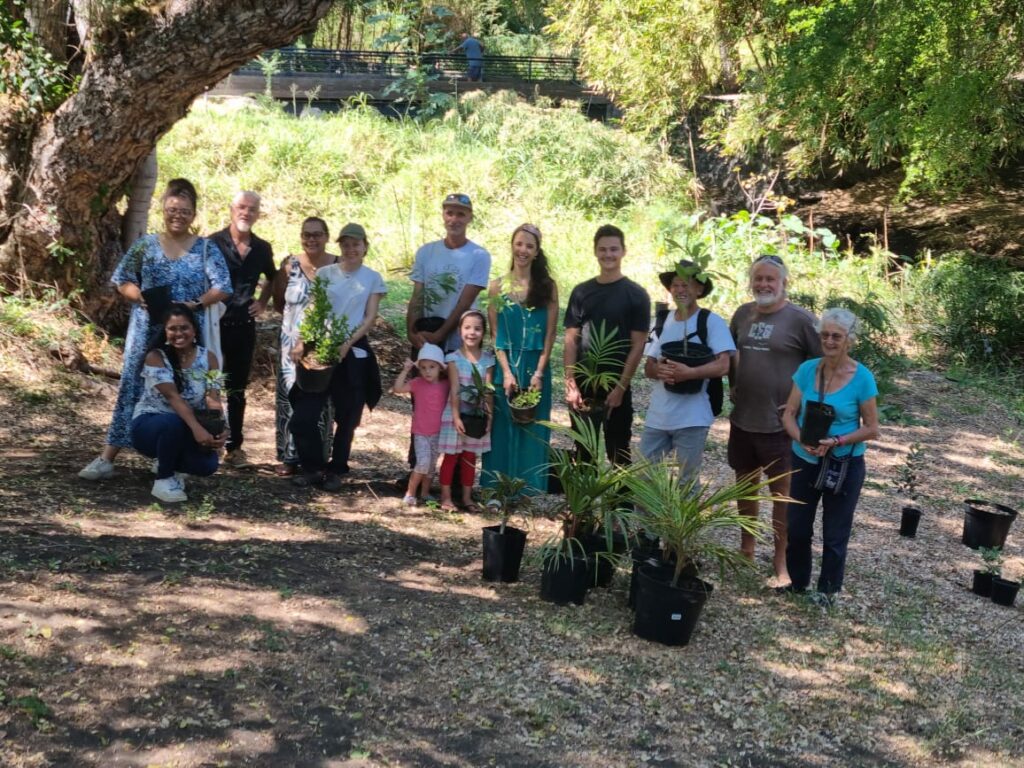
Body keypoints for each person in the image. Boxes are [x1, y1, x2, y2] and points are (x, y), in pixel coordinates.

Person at [79, 178, 232, 481]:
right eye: (172, 209)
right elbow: (122, 280)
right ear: (163, 209)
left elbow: (223, 286)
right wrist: (143, 299)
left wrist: (196, 304)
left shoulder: (205, 249)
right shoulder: (145, 246)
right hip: (148, 326)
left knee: (190, 388)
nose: (178, 215)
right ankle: (108, 456)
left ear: (194, 213)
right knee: (132, 385)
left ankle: (173, 457)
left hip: (187, 328)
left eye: (185, 210)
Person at [728, 254, 821, 583]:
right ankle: (746, 549)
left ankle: (780, 558)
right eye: (758, 278)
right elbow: (730, 356)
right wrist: (732, 387)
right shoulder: (741, 315)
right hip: (743, 420)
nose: (764, 284)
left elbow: (823, 366)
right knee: (745, 488)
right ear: (750, 281)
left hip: (780, 426)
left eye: (771, 279)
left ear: (784, 283)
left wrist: (801, 407)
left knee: (782, 496)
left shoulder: (801, 320)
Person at [780, 308, 880, 606]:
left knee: (835, 532)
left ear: (849, 339)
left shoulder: (862, 378)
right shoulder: (808, 369)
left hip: (843, 463)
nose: (830, 341)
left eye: (836, 336)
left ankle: (827, 590)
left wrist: (836, 440)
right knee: (797, 528)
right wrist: (803, 440)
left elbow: (872, 429)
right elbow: (789, 414)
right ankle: (797, 583)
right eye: (824, 335)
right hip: (804, 458)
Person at [288, 222, 386, 490]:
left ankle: (336, 469)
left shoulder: (372, 278)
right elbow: (312, 309)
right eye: (346, 244)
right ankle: (312, 466)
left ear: (365, 246)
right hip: (320, 348)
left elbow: (369, 318)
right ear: (339, 245)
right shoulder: (326, 273)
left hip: (352, 350)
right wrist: (300, 340)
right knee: (304, 416)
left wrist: (346, 343)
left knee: (348, 415)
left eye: (356, 244)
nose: (351, 249)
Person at [641, 260, 734, 485]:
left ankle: (681, 523)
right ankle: (645, 521)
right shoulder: (662, 320)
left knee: (687, 483)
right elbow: (648, 367)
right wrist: (659, 370)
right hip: (658, 416)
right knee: (644, 478)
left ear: (699, 289)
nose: (680, 290)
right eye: (676, 285)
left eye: (687, 285)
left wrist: (689, 373)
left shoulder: (710, 322)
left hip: (693, 417)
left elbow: (724, 365)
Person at [564, 224, 651, 465]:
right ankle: (584, 503)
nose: (608, 255)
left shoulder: (636, 294)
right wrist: (571, 383)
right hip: (584, 385)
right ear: (595, 252)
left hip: (616, 385)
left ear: (624, 251)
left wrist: (621, 388)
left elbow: (638, 345)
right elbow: (571, 339)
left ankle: (619, 504)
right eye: (602, 249)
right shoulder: (582, 292)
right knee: (583, 449)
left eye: (614, 249)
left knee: (619, 450)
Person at [482, 223, 558, 495]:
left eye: (529, 246)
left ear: (537, 252)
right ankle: (496, 489)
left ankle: (528, 490)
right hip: (508, 366)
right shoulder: (497, 287)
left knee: (532, 426)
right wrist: (507, 372)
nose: (523, 250)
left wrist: (538, 373)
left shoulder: (547, 287)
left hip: (535, 366)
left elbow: (550, 334)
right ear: (512, 245)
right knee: (502, 427)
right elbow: (495, 334)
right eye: (519, 244)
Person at [130, 304, 226, 503]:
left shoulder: (209, 358)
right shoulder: (156, 357)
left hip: (187, 426)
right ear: (165, 332)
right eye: (173, 329)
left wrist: (219, 428)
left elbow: (213, 396)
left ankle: (168, 462)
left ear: (194, 330)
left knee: (207, 465)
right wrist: (197, 429)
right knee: (172, 422)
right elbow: (173, 398)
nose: (179, 333)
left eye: (184, 327)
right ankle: (163, 479)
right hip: (151, 424)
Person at [209, 191, 276, 469]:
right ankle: (209, 441)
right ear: (231, 209)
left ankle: (234, 447)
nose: (245, 213)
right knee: (209, 384)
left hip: (243, 326)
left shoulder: (262, 248)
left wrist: (262, 302)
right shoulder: (212, 243)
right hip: (213, 324)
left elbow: (273, 278)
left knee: (236, 389)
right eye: (241, 207)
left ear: (258, 213)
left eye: (252, 209)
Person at [271, 217, 337, 477]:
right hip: (290, 344)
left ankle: (318, 457)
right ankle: (289, 456)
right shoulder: (290, 265)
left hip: (322, 345)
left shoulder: (336, 265)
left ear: (327, 236)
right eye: (307, 234)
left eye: (317, 234)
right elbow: (279, 302)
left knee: (321, 403)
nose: (312, 239)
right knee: (289, 398)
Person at [406, 193, 491, 355]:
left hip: (459, 339)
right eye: (449, 213)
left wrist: (440, 334)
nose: (454, 219)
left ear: (470, 218)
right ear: (443, 215)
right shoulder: (426, 252)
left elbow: (465, 302)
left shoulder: (479, 256)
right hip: (426, 333)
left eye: (461, 214)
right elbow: (418, 296)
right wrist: (411, 332)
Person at [438, 310, 495, 512]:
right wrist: (455, 417)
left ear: (483, 333)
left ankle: (467, 498)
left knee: (470, 457)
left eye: (477, 328)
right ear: (460, 330)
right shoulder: (453, 358)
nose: (472, 333)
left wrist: (489, 416)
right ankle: (445, 497)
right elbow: (454, 388)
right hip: (456, 413)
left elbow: (488, 390)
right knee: (451, 457)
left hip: (477, 415)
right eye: (467, 327)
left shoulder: (488, 360)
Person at [393, 344, 449, 506]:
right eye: (423, 367)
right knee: (423, 463)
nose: (427, 371)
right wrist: (405, 370)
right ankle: (410, 494)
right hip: (421, 432)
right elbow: (397, 389)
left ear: (440, 368)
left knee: (431, 466)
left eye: (432, 367)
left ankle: (425, 492)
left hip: (438, 432)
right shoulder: (417, 383)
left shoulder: (446, 385)